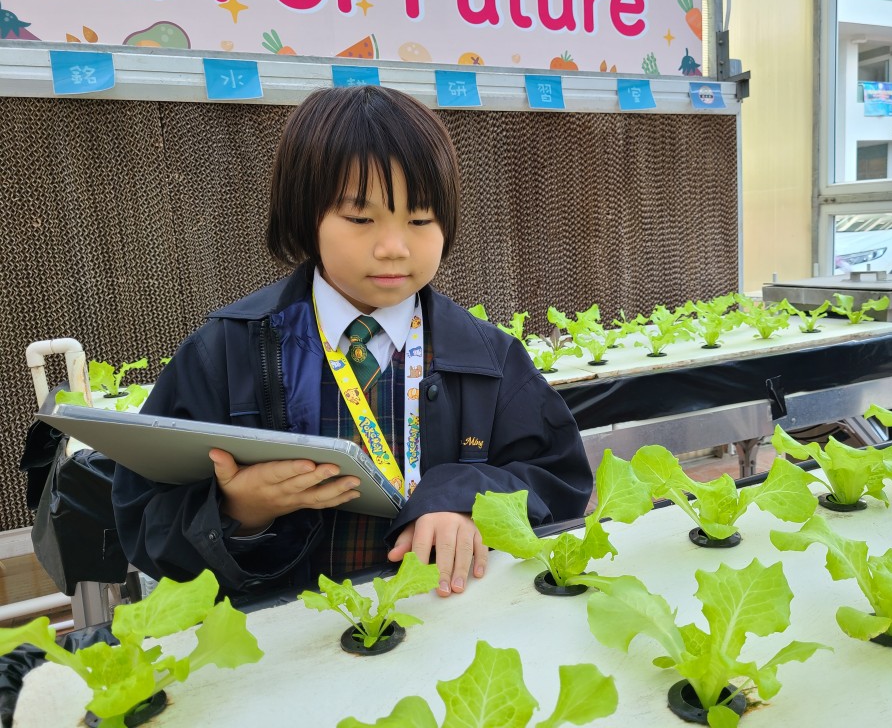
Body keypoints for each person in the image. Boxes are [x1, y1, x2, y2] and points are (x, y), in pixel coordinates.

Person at [112, 85, 593, 599]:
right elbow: (144, 522)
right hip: (291, 649)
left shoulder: (488, 358)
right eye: (361, 219)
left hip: (441, 623)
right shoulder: (227, 352)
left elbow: (559, 481)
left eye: (420, 219)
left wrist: (468, 498)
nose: (393, 247)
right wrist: (239, 511)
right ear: (305, 214)